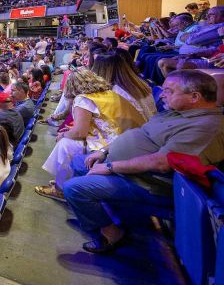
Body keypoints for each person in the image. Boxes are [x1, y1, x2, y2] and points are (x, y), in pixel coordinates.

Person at [63, 70, 224, 253]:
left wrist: (110, 166)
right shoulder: (177, 112)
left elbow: (161, 163)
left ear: (194, 97)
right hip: (128, 169)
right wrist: (103, 151)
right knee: (78, 162)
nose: (162, 94)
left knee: (73, 188)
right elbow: (140, 133)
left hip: (148, 183)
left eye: (169, 91)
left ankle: (111, 234)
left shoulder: (206, 128)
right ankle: (101, 213)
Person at [35, 69, 146, 200]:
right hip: (132, 140)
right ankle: (65, 179)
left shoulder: (83, 99)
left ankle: (60, 189)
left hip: (116, 146)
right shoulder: (107, 93)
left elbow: (79, 132)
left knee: (66, 144)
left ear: (71, 86)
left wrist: (64, 135)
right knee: (69, 139)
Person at [91, 50, 157, 120]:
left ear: (99, 70)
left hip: (137, 129)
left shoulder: (115, 93)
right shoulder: (139, 83)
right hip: (150, 125)